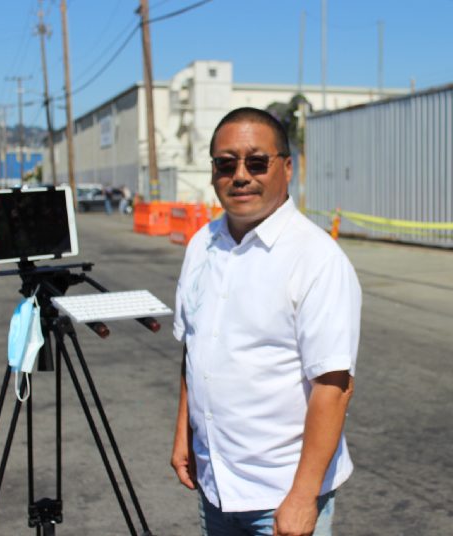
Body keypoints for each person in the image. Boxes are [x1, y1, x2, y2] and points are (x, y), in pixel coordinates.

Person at [171, 107, 362, 536]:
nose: (240, 175)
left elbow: (333, 387)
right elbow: (194, 347)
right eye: (225, 163)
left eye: (257, 162)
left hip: (281, 495)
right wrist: (184, 430)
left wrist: (302, 496)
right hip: (215, 483)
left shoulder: (316, 259)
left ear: (287, 168)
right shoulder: (202, 245)